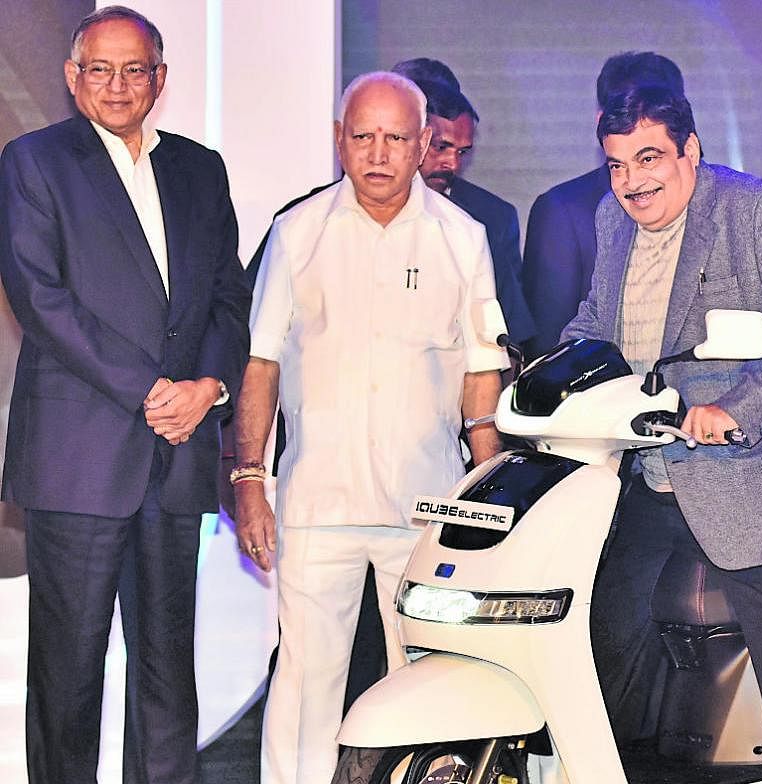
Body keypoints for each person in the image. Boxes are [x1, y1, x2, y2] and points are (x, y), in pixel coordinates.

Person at [564, 84, 762, 784]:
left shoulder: (749, 209)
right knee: (601, 647)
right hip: (655, 474)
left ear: (690, 150)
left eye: (648, 158)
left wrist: (740, 406)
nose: (631, 181)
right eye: (615, 164)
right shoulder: (613, 220)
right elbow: (595, 323)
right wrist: (550, 374)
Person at [233, 71, 508, 784]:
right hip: (315, 502)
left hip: (426, 509)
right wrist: (249, 482)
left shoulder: (463, 238)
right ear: (338, 141)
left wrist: (486, 494)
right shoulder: (297, 234)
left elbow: (482, 374)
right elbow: (259, 365)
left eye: (395, 138)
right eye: (362, 136)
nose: (378, 154)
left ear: (424, 145)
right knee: (304, 685)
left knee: (429, 683)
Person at [0, 6, 251, 783]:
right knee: (67, 682)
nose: (117, 84)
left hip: (176, 461)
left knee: (169, 677)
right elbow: (39, 298)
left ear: (160, 80)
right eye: (99, 69)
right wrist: (151, 392)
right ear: (73, 80)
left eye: (134, 69)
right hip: (79, 461)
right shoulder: (34, 160)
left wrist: (208, 388)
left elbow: (226, 299)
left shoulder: (199, 167)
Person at [522, 51, 685, 359]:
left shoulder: (734, 204)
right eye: (628, 116)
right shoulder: (563, 211)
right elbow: (550, 348)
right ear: (602, 123)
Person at [393, 59, 535, 347]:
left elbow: (511, 338)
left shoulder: (486, 221)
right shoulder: (317, 218)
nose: (452, 164)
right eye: (441, 147)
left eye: (462, 151)